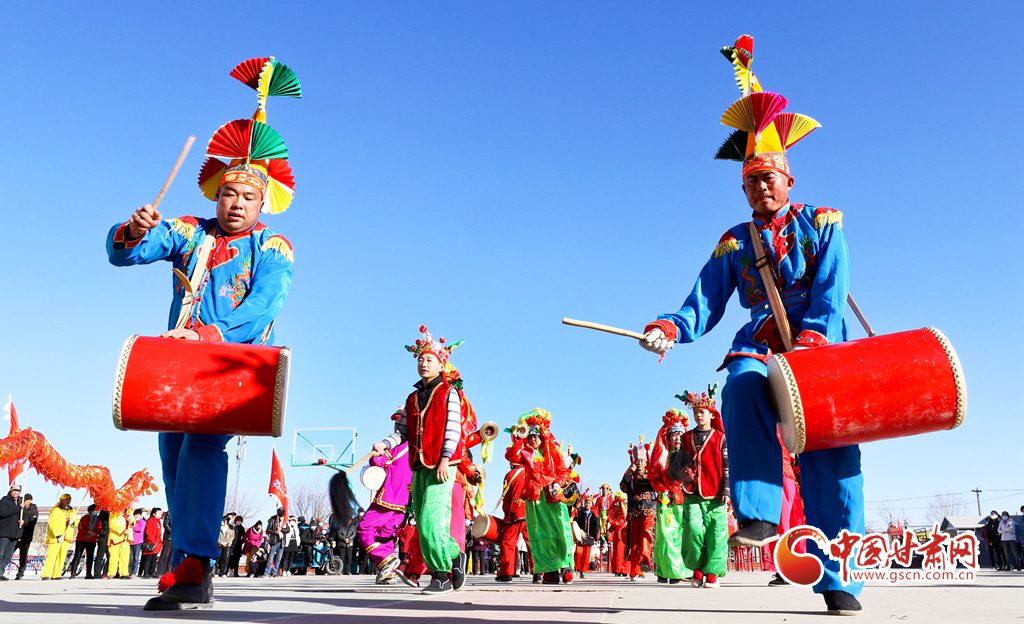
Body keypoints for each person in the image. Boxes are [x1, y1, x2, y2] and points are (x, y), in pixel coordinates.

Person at [638, 35, 864, 615]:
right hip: (762, 342)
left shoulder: (824, 222)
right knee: (739, 385)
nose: (762, 186)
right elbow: (703, 301)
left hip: (821, 346)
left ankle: (840, 582)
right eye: (752, 179)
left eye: (771, 177)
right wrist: (670, 329)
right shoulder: (734, 242)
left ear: (789, 180)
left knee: (834, 464)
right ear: (743, 186)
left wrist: (811, 342)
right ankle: (759, 513)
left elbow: (831, 290)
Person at [106, 57, 299, 612]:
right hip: (176, 362)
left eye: (248, 198)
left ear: (263, 202)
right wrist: (134, 228)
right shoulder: (190, 232)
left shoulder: (274, 247)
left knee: (202, 450)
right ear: (216, 194)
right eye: (229, 194)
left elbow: (264, 307)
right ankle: (188, 559)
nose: (236, 204)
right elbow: (127, 253)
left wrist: (212, 334)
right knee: (172, 453)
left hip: (230, 365)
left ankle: (196, 565)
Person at [374, 326, 469, 594]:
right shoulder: (412, 398)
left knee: (431, 520)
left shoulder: (449, 393)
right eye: (420, 359)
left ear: (441, 364)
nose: (423, 364)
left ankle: (441, 576)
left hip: (442, 466)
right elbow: (402, 432)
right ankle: (455, 555)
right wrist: (384, 444)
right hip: (418, 466)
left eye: (429, 359)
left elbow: (453, 428)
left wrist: (445, 458)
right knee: (422, 522)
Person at [673, 387, 730, 589]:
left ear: (711, 414)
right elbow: (678, 464)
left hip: (716, 492)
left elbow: (727, 465)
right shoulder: (686, 438)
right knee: (692, 529)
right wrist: (683, 474)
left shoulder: (721, 438)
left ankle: (713, 572)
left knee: (717, 533)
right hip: (692, 492)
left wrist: (727, 490)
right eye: (696, 412)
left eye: (702, 412)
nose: (698, 415)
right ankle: (696, 569)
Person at [516, 409, 575, 585]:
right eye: (530, 436)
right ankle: (549, 570)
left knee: (560, 530)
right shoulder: (525, 453)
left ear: (543, 436)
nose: (533, 439)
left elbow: (563, 471)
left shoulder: (552, 451)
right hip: (535, 500)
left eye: (536, 436)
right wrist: (519, 436)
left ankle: (565, 566)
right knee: (540, 534)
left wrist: (558, 483)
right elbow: (511, 456)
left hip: (553, 496)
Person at [359, 409, 413, 584]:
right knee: (385, 535)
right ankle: (388, 574)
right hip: (405, 502)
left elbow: (377, 462)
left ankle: (386, 560)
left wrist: (376, 452)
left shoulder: (394, 445)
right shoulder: (415, 449)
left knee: (365, 528)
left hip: (388, 497)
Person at [648, 408, 693, 584]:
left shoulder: (688, 456)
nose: (677, 438)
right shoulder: (662, 457)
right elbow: (654, 477)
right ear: (668, 437)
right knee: (665, 536)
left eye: (680, 434)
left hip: (683, 501)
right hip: (666, 502)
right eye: (674, 434)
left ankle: (678, 570)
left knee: (682, 536)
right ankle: (664, 569)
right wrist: (662, 490)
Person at [495, 425, 531, 582]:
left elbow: (507, 498)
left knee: (508, 543)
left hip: (514, 514)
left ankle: (507, 572)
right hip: (529, 513)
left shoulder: (510, 475)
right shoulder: (529, 473)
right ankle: (538, 573)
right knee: (533, 543)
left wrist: (506, 513)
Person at [620, 440, 655, 580]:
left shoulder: (651, 473)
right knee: (634, 543)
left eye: (642, 460)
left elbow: (655, 484)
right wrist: (629, 473)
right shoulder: (630, 474)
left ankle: (645, 559)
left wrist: (651, 470)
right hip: (634, 511)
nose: (640, 463)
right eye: (637, 460)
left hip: (649, 510)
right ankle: (636, 571)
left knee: (646, 533)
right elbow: (623, 487)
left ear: (646, 462)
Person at [41, 493, 77, 579]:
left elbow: (75, 521)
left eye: (70, 499)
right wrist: (58, 535)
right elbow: (52, 524)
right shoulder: (56, 510)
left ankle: (57, 573)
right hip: (56, 538)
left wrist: (73, 522)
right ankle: (46, 573)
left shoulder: (72, 510)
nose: (68, 501)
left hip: (67, 536)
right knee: (52, 555)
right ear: (62, 500)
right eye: (67, 499)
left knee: (62, 556)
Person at [70, 504, 101, 579]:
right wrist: (89, 532)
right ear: (91, 511)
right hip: (82, 539)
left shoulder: (98, 519)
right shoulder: (84, 517)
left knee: (90, 557)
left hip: (92, 540)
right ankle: (73, 572)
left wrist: (94, 533)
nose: (97, 511)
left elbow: (99, 528)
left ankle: (88, 573)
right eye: (95, 510)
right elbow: (81, 527)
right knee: (78, 556)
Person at [573, 496, 600, 579]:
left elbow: (597, 527)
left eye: (589, 503)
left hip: (589, 537)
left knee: (586, 555)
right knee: (578, 552)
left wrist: (596, 538)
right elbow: (575, 522)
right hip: (580, 536)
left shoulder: (594, 514)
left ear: (591, 504)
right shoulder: (580, 512)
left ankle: (583, 571)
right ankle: (576, 568)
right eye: (586, 503)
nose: (587, 505)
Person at [0, 485, 23, 581]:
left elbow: (25, 515)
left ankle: (1, 572)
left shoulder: (21, 502)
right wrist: (18, 508)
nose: (15, 492)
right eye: (14, 490)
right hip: (4, 532)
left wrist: (24, 521)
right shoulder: (4, 501)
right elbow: (3, 513)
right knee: (1, 553)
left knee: (8, 555)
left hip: (15, 533)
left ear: (20, 492)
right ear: (11, 491)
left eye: (17, 491)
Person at [14, 493, 38, 580]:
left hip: (26, 536)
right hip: (16, 535)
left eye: (27, 500)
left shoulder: (33, 510)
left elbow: (32, 522)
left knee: (23, 555)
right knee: (8, 553)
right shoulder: (19, 507)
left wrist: (24, 523)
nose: (25, 501)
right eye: (24, 499)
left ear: (30, 501)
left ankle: (20, 573)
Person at [107, 508, 133, 579]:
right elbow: (112, 525)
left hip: (126, 538)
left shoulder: (129, 512)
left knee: (125, 556)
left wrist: (131, 522)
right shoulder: (114, 513)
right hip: (116, 537)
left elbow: (132, 523)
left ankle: (124, 573)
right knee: (114, 556)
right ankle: (112, 573)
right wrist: (123, 531)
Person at [141, 508, 164, 578]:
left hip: (157, 542)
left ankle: (152, 572)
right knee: (148, 558)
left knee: (154, 558)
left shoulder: (158, 522)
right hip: (151, 542)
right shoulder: (151, 521)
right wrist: (152, 539)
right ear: (154, 514)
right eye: (158, 513)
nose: (160, 515)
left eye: (160, 513)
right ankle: (146, 573)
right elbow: (148, 531)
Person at [266, 508, 285, 577]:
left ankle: (274, 572)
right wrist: (275, 532)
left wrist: (281, 529)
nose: (282, 513)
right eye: (281, 511)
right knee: (270, 558)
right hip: (274, 541)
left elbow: (288, 529)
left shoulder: (284, 521)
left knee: (278, 559)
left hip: (282, 542)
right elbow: (268, 530)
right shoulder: (272, 520)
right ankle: (267, 572)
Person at [93, 509, 110, 579]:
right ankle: (97, 573)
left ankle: (106, 572)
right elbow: (98, 529)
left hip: (110, 539)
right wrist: (106, 533)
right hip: (103, 539)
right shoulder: (100, 518)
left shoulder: (111, 517)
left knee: (110, 556)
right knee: (100, 556)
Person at [130, 509, 145, 578]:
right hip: (131, 541)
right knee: (130, 558)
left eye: (137, 515)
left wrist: (133, 526)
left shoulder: (142, 522)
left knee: (136, 558)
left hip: (137, 542)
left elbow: (140, 529)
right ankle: (129, 571)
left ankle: (134, 572)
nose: (136, 516)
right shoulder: (132, 521)